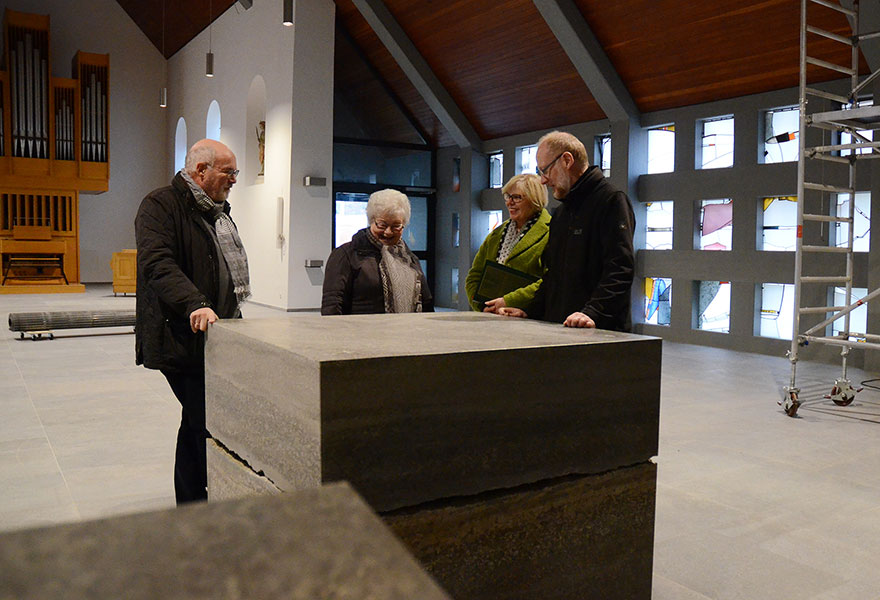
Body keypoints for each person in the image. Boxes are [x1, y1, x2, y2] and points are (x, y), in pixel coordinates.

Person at [135, 138, 250, 504]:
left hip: (217, 333)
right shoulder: (160, 205)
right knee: (203, 418)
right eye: (228, 172)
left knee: (197, 420)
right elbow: (157, 263)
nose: (234, 179)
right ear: (201, 171)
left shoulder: (216, 211)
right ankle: (202, 500)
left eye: (235, 173)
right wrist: (195, 303)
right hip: (180, 334)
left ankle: (193, 501)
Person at [485, 130, 635, 331]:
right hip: (560, 329)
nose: (543, 180)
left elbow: (620, 270)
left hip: (598, 331)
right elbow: (553, 276)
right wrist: (529, 310)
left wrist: (591, 313)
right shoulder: (561, 212)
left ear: (567, 160)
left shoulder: (611, 201)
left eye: (545, 170)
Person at [322, 189, 433, 314]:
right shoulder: (346, 255)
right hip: (363, 332)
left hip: (406, 331)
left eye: (396, 226)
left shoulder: (409, 259)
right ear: (371, 220)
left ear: (404, 225)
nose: (388, 232)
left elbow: (426, 303)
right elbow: (332, 305)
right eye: (382, 225)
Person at [465, 173, 550, 312]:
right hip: (491, 316)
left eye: (516, 197)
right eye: (507, 196)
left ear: (535, 199)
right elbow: (474, 275)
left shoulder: (551, 232)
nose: (509, 202)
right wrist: (482, 307)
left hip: (530, 318)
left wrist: (508, 301)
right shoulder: (496, 234)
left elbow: (550, 281)